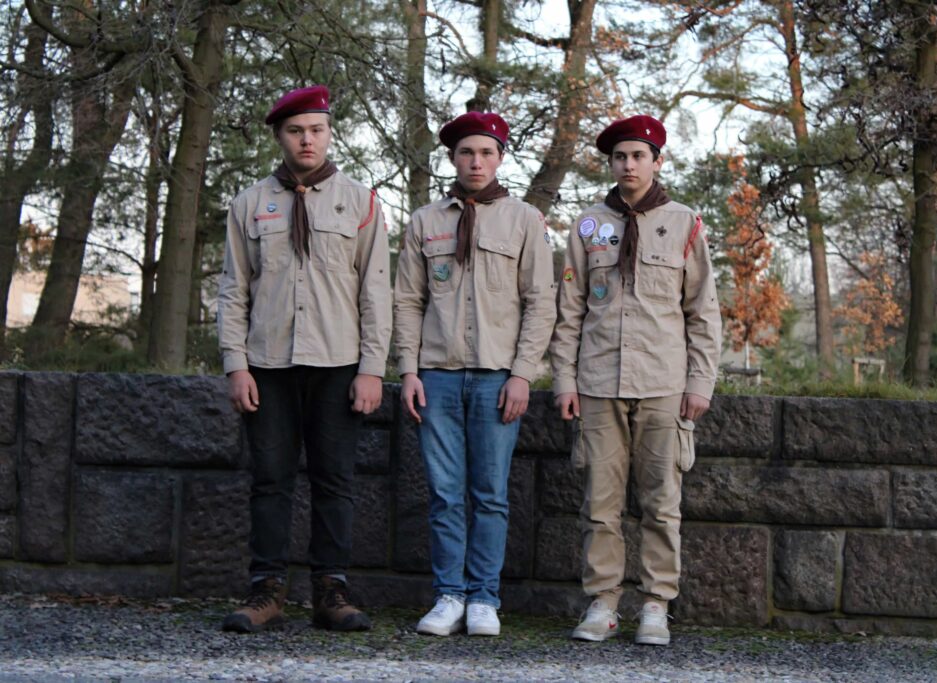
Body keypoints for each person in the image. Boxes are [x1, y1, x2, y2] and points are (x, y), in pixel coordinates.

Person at [217, 85, 392, 633]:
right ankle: (266, 589)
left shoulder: (361, 203)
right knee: (269, 479)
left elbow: (375, 291)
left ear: (330, 133)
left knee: (334, 479)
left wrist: (372, 368)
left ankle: (330, 591)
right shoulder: (249, 204)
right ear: (280, 136)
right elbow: (233, 290)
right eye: (296, 131)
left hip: (338, 362)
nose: (307, 140)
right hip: (267, 363)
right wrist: (236, 364)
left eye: (316, 130)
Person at [549, 114, 722, 646]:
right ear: (610, 163)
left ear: (657, 162)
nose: (629, 165)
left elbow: (703, 311)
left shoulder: (685, 223)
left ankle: (655, 604)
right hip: (598, 380)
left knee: (661, 502)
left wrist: (700, 382)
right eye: (620, 157)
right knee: (600, 504)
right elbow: (570, 309)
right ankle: (603, 603)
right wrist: (564, 380)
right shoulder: (588, 226)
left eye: (639, 156)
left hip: (663, 382)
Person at [393, 111, 556, 637]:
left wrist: (523, 374)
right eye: (467, 152)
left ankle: (485, 597)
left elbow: (541, 302)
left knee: (490, 493)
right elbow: (407, 301)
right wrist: (409, 370)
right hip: (437, 376)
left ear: (500, 158)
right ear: (453, 158)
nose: (476, 162)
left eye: (486, 152)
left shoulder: (524, 220)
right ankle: (449, 595)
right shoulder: (425, 221)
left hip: (496, 378)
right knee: (444, 493)